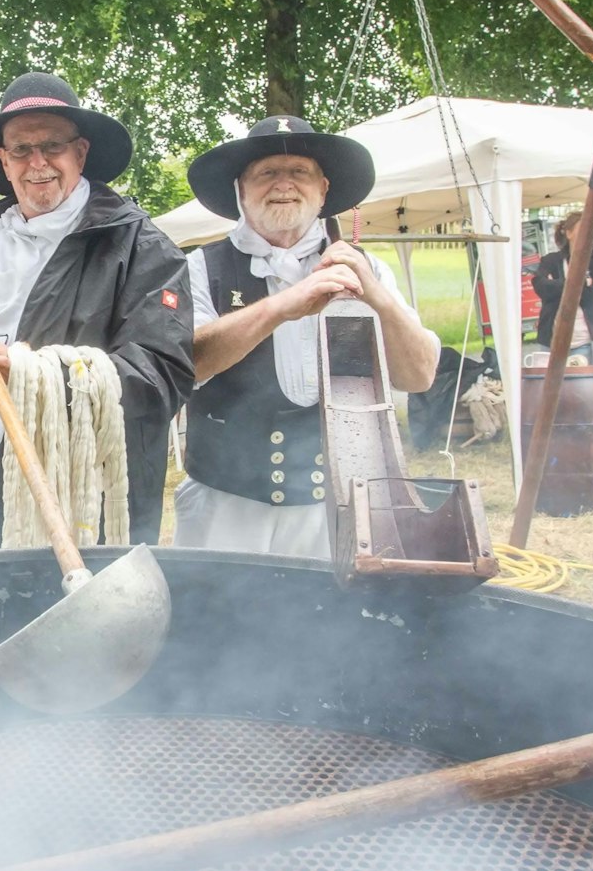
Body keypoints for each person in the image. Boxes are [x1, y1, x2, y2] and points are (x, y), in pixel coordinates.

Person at [0, 72, 193, 547]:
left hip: (77, 495)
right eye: (21, 150)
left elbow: (161, 373)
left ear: (80, 153)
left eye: (53, 146)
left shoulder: (142, 248)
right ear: (3, 161)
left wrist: (30, 371)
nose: (37, 163)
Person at [171, 116, 439, 556]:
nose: (284, 184)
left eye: (299, 172)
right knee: (215, 622)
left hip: (335, 504)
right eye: (267, 173)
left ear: (323, 189)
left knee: (324, 623)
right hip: (225, 503)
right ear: (240, 188)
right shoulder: (200, 267)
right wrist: (282, 306)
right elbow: (185, 366)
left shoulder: (365, 268)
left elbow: (420, 376)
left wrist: (375, 297)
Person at [532, 211, 593, 350]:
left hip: (587, 339)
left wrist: (557, 287)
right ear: (569, 233)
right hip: (551, 339)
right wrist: (581, 284)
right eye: (582, 229)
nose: (587, 234)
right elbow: (541, 287)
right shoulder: (551, 261)